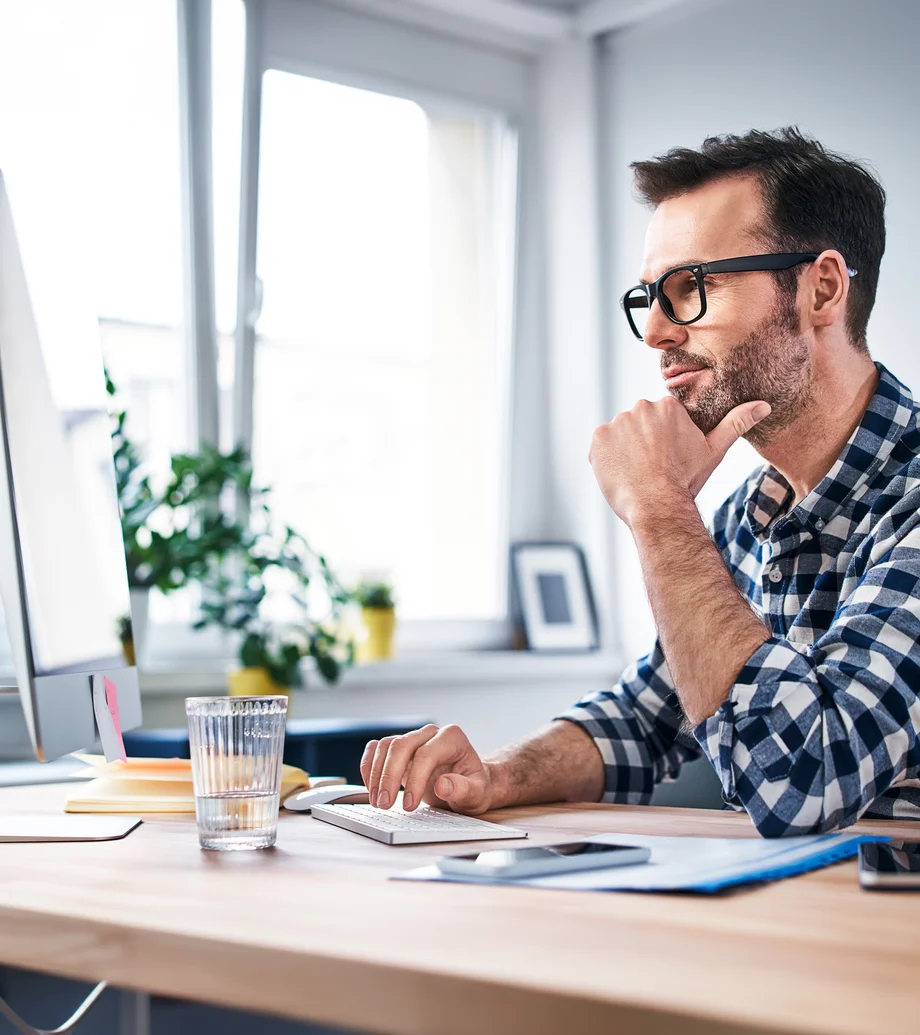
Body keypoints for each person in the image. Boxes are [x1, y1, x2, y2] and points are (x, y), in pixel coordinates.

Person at [361, 127, 920, 837]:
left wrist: (658, 506)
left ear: (821, 289)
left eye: (694, 286)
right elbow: (643, 719)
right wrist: (497, 774)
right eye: (649, 295)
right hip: (804, 917)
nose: (655, 331)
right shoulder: (750, 518)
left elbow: (803, 779)